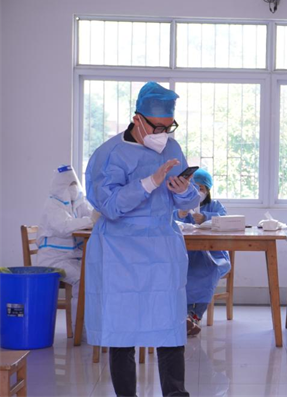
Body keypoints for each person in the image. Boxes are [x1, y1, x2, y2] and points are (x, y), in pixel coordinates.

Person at [85, 82, 199, 397]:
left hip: (162, 249)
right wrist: (149, 182)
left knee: (170, 328)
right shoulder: (109, 153)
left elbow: (186, 202)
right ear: (138, 119)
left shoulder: (171, 148)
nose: (163, 134)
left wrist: (183, 191)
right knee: (121, 332)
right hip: (120, 252)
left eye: (169, 127)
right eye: (157, 127)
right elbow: (109, 206)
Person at [37, 164, 98, 325]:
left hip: (70, 258)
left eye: (74, 184)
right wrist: (90, 220)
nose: (73, 188)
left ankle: (89, 327)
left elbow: (90, 215)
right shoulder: (53, 205)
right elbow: (64, 227)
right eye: (69, 185)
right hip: (53, 260)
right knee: (82, 279)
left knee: (94, 276)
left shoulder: (76, 205)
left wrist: (96, 215)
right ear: (60, 187)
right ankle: (80, 329)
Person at [174, 168, 231, 336]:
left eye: (201, 188)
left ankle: (194, 316)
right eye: (193, 187)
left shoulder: (215, 206)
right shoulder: (179, 205)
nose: (197, 191)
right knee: (183, 271)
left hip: (213, 254)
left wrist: (206, 217)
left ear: (207, 189)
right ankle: (184, 316)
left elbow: (226, 220)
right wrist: (180, 213)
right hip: (185, 253)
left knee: (209, 271)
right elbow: (167, 219)